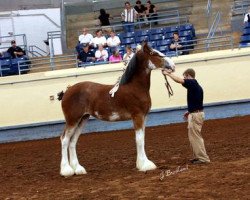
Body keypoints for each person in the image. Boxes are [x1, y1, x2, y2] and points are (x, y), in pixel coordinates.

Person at [162, 68, 210, 164]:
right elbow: (196, 101)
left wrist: (168, 74)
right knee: (193, 137)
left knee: (196, 137)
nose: (184, 79)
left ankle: (203, 158)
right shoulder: (195, 86)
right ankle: (198, 156)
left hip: (195, 115)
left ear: (188, 75)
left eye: (185, 76)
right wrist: (189, 111)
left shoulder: (192, 83)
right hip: (195, 113)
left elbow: (179, 80)